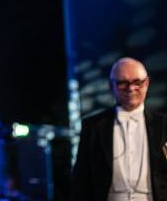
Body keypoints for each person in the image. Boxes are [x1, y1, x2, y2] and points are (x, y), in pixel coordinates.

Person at [70, 57, 167, 201]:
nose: (131, 88)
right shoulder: (93, 126)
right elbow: (81, 179)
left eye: (137, 82)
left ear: (146, 83)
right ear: (111, 86)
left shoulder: (164, 124)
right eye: (122, 83)